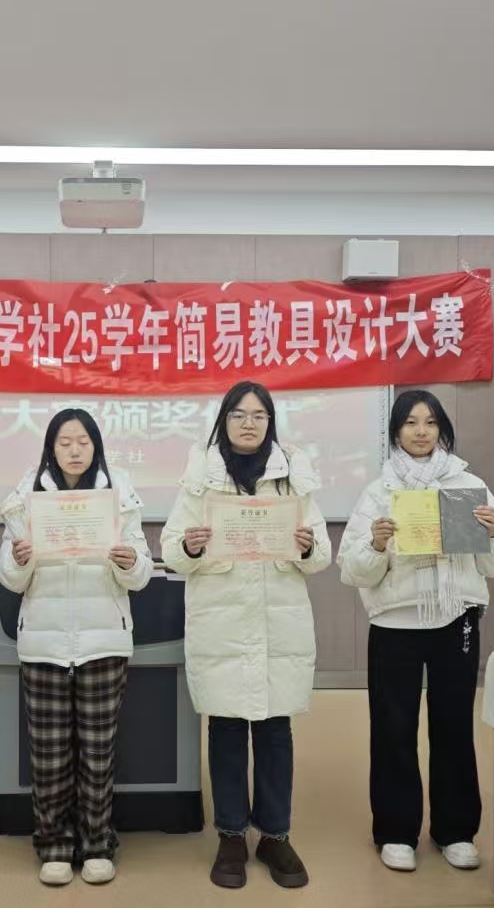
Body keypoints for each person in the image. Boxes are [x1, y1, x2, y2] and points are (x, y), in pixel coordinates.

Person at [337, 390, 494, 874]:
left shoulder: (468, 485)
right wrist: (376, 544)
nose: (421, 431)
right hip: (395, 622)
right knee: (393, 729)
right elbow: (352, 570)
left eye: (431, 422)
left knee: (454, 726)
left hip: (455, 617)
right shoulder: (379, 492)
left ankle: (455, 831)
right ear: (395, 431)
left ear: (442, 430)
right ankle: (396, 831)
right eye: (410, 422)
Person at [160, 380, 330, 890]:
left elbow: (322, 553)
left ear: (271, 422)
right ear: (224, 421)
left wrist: (306, 546)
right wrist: (190, 546)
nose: (249, 423)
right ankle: (231, 835)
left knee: (276, 730)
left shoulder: (293, 478)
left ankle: (275, 835)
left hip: (277, 622)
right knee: (228, 728)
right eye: (238, 414)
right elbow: (170, 549)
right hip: (223, 622)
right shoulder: (200, 479)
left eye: (259, 415)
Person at [0, 409, 153, 887]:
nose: (74, 450)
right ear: (51, 447)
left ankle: (98, 843)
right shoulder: (27, 495)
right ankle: (55, 845)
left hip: (103, 639)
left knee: (99, 753)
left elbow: (142, 573)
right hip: (43, 642)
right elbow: (9, 576)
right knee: (48, 755)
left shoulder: (119, 492)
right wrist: (20, 559)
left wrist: (128, 561)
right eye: (64, 442)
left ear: (96, 445)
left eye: (83, 441)